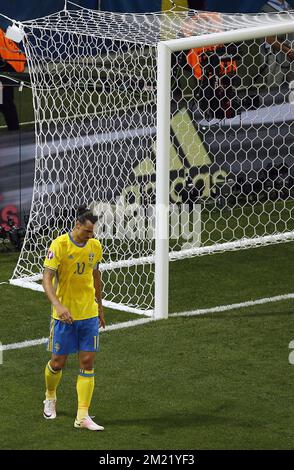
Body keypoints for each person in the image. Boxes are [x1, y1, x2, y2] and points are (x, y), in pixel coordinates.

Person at [42, 205, 106, 431]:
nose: (92, 235)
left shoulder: (95, 246)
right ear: (77, 225)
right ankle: (50, 396)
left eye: (93, 232)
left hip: (88, 313)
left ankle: (82, 416)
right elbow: (46, 280)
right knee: (57, 363)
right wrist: (58, 305)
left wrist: (100, 307)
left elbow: (96, 275)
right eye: (88, 231)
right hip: (64, 317)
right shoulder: (59, 245)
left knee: (87, 362)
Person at [261, 1, 294, 87]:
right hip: (275, 57)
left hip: (291, 56)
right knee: (274, 92)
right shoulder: (265, 9)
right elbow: (269, 38)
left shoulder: (288, 5)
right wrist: (288, 51)